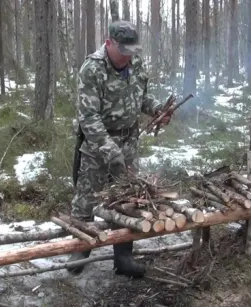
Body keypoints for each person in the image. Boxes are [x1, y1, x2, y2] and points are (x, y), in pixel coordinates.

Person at [68, 20, 171, 278]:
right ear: (109, 43)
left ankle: (123, 257)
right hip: (96, 145)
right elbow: (88, 117)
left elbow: (140, 97)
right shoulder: (92, 69)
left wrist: (157, 109)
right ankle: (80, 250)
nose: (127, 57)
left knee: (126, 199)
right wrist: (107, 146)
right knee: (86, 199)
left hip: (128, 143)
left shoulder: (136, 64)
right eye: (123, 51)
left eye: (131, 51)